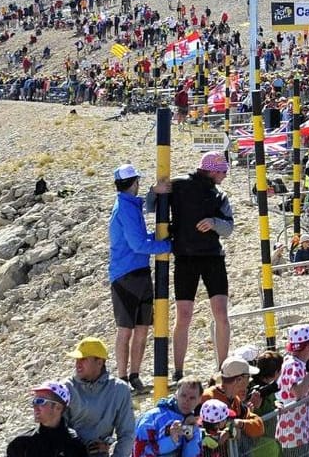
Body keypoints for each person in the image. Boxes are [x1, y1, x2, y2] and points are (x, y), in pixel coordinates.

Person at [159, 151, 236, 378]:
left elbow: (229, 227)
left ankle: (222, 368)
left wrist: (213, 223)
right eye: (223, 171)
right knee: (184, 315)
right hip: (186, 258)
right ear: (212, 170)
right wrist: (155, 191)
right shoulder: (179, 186)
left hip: (212, 256)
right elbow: (153, 203)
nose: (225, 176)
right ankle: (178, 371)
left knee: (220, 313)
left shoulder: (219, 195)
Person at [108, 164, 157, 390]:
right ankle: (123, 378)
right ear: (134, 183)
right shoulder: (125, 208)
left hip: (136, 273)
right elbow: (138, 244)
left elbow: (138, 239)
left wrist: (154, 238)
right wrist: (165, 244)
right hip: (127, 275)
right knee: (129, 329)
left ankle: (133, 376)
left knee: (140, 328)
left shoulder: (128, 206)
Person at [66, 338, 136, 457]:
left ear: (99, 362)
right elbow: (56, 429)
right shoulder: (66, 388)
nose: (78, 363)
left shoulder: (119, 390)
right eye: (76, 359)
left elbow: (127, 433)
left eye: (83, 359)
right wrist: (82, 446)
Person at [9, 380, 90, 457]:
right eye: (34, 401)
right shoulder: (21, 444)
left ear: (58, 407)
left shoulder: (75, 444)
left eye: (40, 401)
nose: (35, 406)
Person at [134, 377, 204, 456]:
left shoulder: (192, 423)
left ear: (199, 399)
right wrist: (171, 440)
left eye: (192, 398)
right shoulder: (152, 419)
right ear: (176, 395)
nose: (186, 401)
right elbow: (138, 452)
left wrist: (190, 439)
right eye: (183, 395)